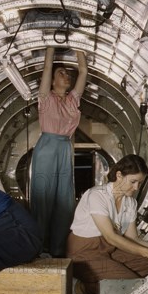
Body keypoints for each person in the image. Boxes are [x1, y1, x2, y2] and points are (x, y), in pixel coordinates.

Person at [66, 154, 148, 294]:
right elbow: (111, 236)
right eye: (133, 182)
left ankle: (92, 283)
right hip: (84, 251)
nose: (136, 188)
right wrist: (147, 252)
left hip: (110, 249)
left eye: (140, 183)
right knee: (128, 284)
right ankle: (81, 288)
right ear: (119, 175)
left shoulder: (130, 202)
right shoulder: (97, 195)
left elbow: (132, 238)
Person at [31, 47, 87, 257]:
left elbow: (82, 71)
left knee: (64, 199)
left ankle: (57, 248)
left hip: (65, 147)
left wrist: (79, 46)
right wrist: (51, 46)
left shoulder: (73, 100)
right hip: (47, 147)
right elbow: (47, 66)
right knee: (43, 197)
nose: (67, 76)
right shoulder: (46, 97)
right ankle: (38, 247)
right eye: (61, 73)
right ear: (52, 81)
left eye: (66, 73)